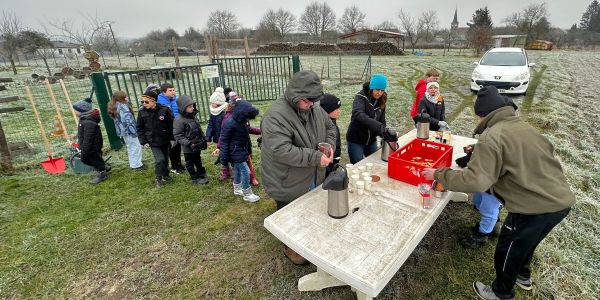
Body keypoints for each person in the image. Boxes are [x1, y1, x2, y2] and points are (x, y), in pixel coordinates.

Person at [422, 86, 575, 300]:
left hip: (533, 206)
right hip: (560, 200)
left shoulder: (491, 136)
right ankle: (523, 275)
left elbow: (475, 180)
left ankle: (501, 292)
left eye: (477, 116)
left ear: (483, 114)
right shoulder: (522, 126)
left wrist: (438, 175)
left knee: (508, 248)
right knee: (527, 243)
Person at [261, 70, 336, 265]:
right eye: (307, 100)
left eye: (314, 100)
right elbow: (281, 150)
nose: (311, 104)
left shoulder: (315, 108)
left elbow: (330, 127)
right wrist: (315, 157)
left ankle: (307, 239)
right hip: (287, 180)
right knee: (291, 221)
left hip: (313, 174)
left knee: (311, 212)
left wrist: (329, 146)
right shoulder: (275, 116)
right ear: (295, 95)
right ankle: (291, 247)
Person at [346, 73, 396, 164]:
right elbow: (359, 114)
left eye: (382, 90)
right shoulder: (361, 97)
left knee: (374, 164)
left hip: (371, 141)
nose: (379, 93)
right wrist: (379, 127)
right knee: (358, 166)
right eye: (377, 89)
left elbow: (382, 120)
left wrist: (384, 134)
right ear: (372, 87)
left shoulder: (382, 99)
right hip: (356, 140)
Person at [219, 100, 260, 202]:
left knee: (237, 170)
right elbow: (223, 141)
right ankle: (247, 193)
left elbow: (249, 129)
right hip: (234, 152)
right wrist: (223, 159)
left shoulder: (241, 121)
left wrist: (261, 130)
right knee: (246, 171)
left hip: (241, 150)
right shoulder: (229, 123)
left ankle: (237, 188)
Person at [137, 90, 174, 188]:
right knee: (160, 160)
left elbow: (171, 125)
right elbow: (139, 128)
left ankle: (166, 174)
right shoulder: (141, 112)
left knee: (165, 158)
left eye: (146, 102)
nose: (144, 104)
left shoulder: (165, 110)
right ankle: (158, 178)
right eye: (142, 102)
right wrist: (143, 141)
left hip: (164, 139)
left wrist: (173, 138)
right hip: (152, 141)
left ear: (154, 101)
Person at [173, 95, 209, 185]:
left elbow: (198, 129)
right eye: (189, 107)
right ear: (183, 108)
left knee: (198, 159)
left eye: (192, 106)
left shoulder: (193, 116)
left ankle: (201, 172)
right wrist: (189, 143)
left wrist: (203, 138)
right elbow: (178, 135)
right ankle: (194, 177)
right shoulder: (179, 120)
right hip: (188, 147)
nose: (192, 108)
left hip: (197, 144)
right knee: (190, 162)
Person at [73, 98, 108, 184]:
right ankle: (103, 166)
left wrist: (85, 148)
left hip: (92, 146)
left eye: (76, 110)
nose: (74, 112)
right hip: (88, 146)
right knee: (90, 159)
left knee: (92, 159)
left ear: (82, 111)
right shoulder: (84, 119)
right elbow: (83, 133)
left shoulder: (88, 122)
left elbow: (89, 137)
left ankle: (102, 173)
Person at [107, 91, 144, 170]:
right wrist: (134, 131)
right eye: (126, 96)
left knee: (130, 146)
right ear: (121, 98)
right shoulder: (123, 106)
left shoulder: (115, 106)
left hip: (122, 131)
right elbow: (127, 120)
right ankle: (137, 165)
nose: (127, 98)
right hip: (130, 131)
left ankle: (133, 163)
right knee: (136, 146)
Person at [157, 83, 185, 174]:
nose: (173, 92)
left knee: (178, 146)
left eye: (173, 90)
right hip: (167, 129)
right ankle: (174, 166)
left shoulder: (175, 100)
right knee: (172, 147)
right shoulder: (160, 102)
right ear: (164, 92)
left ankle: (179, 164)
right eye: (170, 90)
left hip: (177, 126)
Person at [206, 87, 230, 181]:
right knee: (223, 155)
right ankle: (225, 171)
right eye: (211, 102)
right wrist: (208, 138)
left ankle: (231, 169)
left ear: (220, 103)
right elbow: (210, 125)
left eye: (214, 103)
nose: (212, 104)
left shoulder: (225, 113)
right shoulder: (213, 113)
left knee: (227, 154)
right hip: (218, 137)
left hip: (225, 138)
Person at [319, 93, 342, 177]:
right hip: (326, 165)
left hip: (333, 161)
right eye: (336, 109)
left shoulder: (332, 121)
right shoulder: (323, 126)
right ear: (327, 111)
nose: (339, 111)